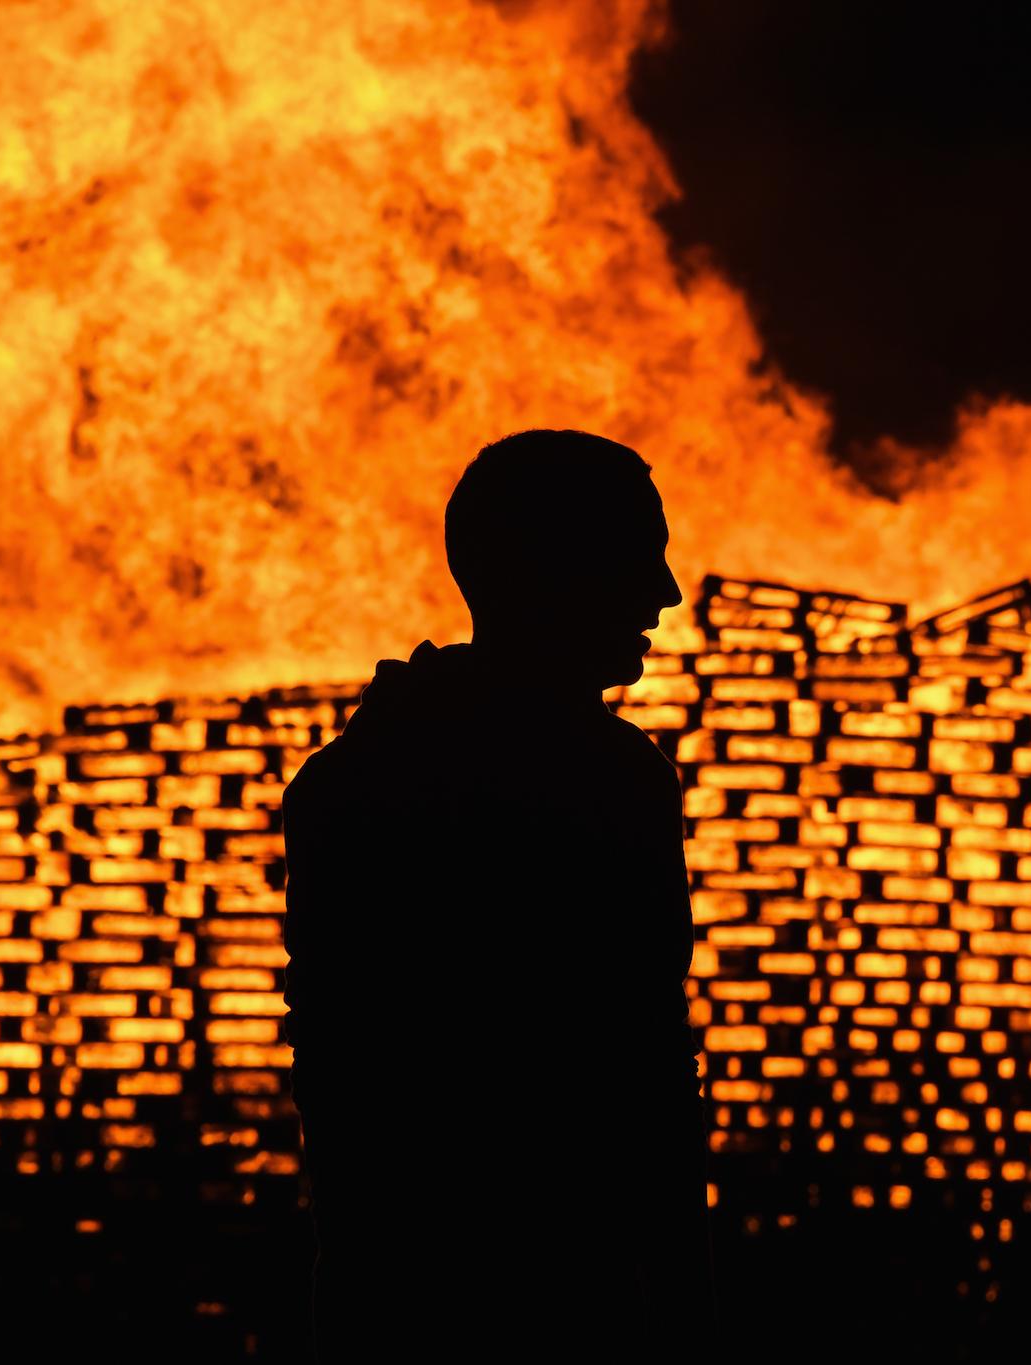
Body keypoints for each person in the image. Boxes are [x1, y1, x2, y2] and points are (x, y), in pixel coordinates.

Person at [281, 429, 716, 1362]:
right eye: (635, 558)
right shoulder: (611, 784)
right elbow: (641, 1069)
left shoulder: (344, 785)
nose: (665, 593)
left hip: (393, 1304)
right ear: (545, 571)